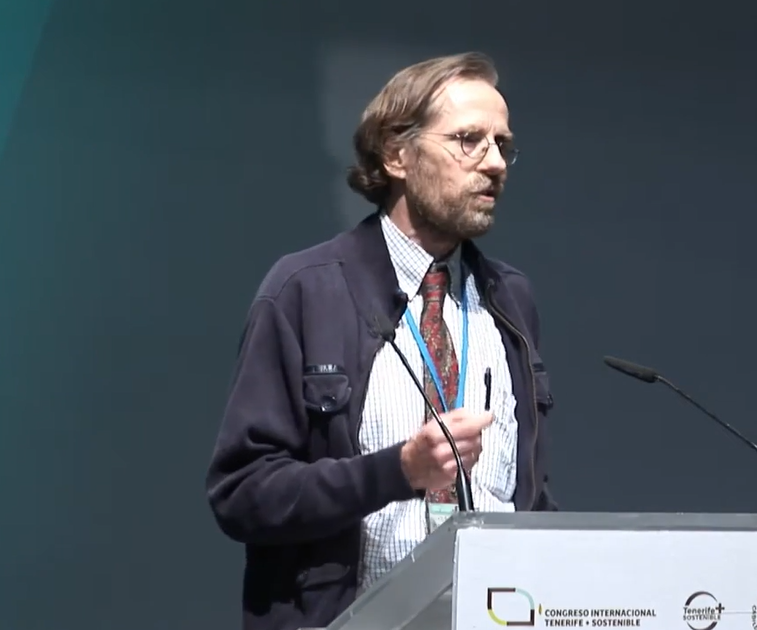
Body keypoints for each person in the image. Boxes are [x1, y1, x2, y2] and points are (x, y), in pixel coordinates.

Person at [205, 51, 558, 630]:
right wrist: (398, 470)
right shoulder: (305, 291)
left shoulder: (510, 299)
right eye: (469, 140)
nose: (494, 163)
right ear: (398, 155)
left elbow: (525, 494)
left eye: (503, 144)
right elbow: (244, 494)